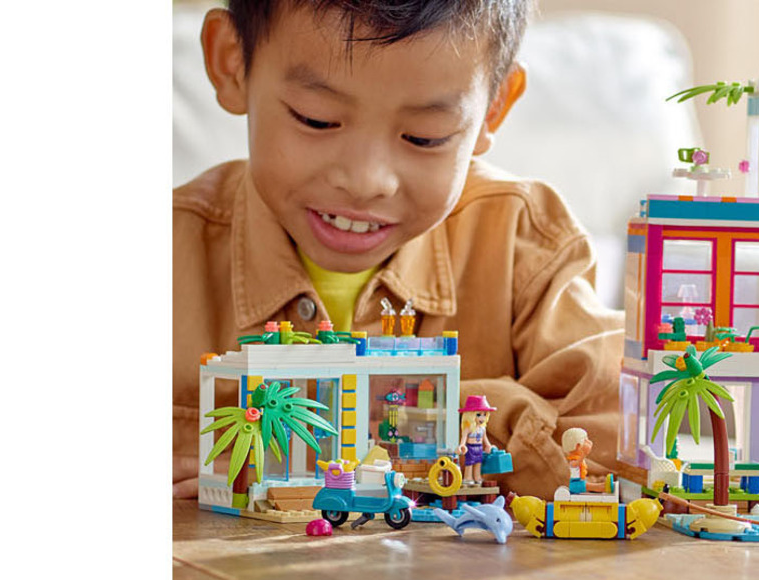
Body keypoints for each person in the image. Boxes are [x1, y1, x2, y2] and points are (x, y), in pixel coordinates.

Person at [174, 0, 620, 500]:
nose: (367, 181)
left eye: (423, 138)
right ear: (232, 61)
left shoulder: (527, 245)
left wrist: (415, 427)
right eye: (317, 120)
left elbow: (614, 449)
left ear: (494, 106)